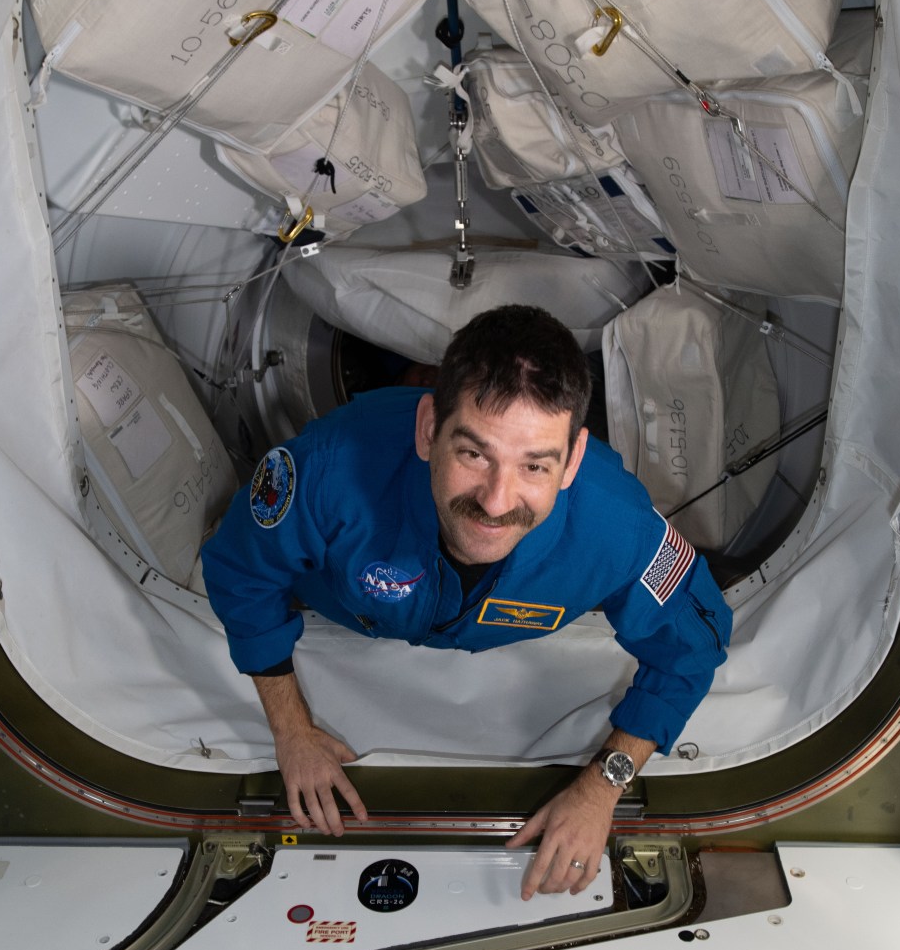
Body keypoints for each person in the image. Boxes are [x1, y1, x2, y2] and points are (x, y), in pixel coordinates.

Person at [201, 304, 732, 899]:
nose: (498, 501)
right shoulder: (326, 469)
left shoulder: (618, 528)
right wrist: (292, 733)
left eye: (536, 465)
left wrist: (602, 787)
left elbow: (692, 645)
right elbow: (242, 574)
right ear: (430, 428)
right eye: (474, 454)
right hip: (335, 616)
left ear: (573, 460)